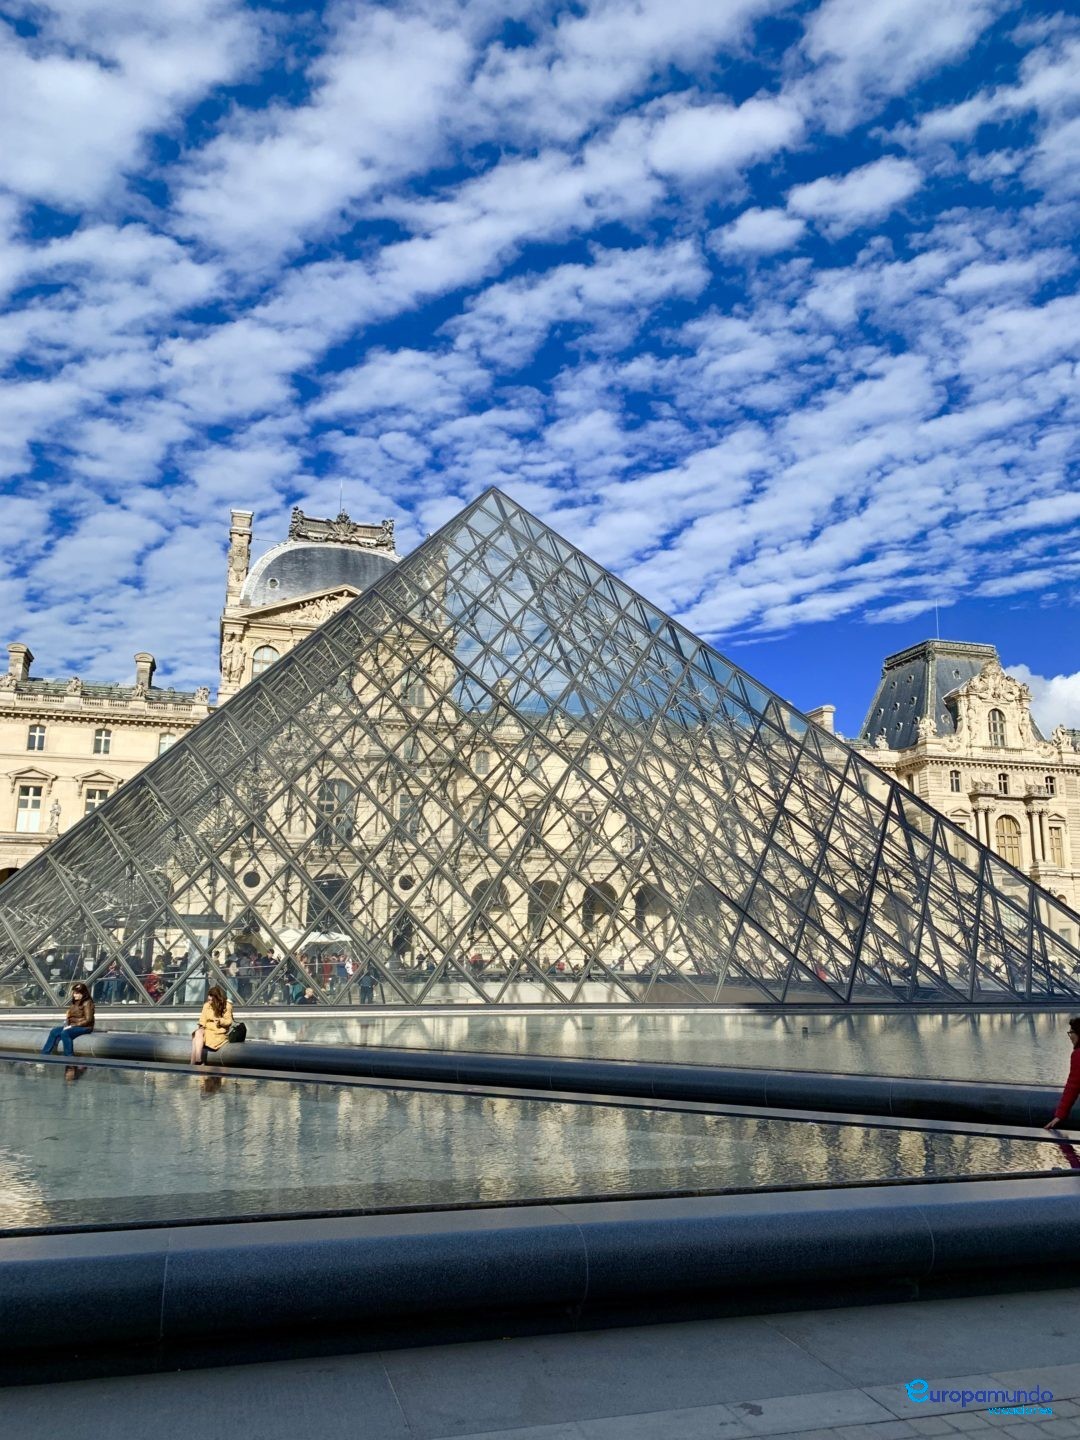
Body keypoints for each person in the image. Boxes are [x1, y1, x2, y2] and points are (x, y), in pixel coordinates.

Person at [1045, 1017, 1080, 1130]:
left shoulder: (1078, 1055)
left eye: (1071, 1032)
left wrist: (1059, 1115)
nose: (1070, 1036)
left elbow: (1073, 1086)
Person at [41, 983, 95, 1056]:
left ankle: (69, 1056)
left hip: (85, 1027)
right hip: (72, 1025)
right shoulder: (74, 1002)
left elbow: (89, 1020)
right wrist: (68, 1019)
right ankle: (44, 1054)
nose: (75, 995)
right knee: (54, 1031)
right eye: (74, 993)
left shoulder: (87, 1003)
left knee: (65, 1033)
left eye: (77, 993)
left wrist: (75, 1025)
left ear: (83, 993)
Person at [190, 984, 235, 1066]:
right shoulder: (206, 1005)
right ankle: (198, 1060)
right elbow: (202, 1019)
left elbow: (229, 1021)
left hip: (218, 1032)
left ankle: (193, 1064)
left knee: (195, 1040)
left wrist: (220, 1021)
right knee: (198, 1032)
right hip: (207, 1029)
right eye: (208, 997)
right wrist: (201, 1027)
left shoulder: (226, 1006)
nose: (209, 999)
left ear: (216, 998)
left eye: (211, 998)